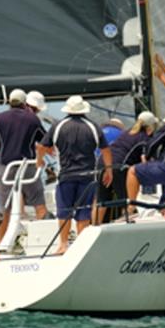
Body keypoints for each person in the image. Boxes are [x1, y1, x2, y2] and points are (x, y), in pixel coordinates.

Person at [37, 95, 113, 255]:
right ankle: (81, 246)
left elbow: (42, 146)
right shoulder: (93, 126)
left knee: (64, 211)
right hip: (87, 176)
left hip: (66, 175)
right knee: (84, 213)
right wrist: (109, 170)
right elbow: (106, 150)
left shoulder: (58, 126)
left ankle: (63, 244)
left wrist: (40, 161)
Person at [0, 89, 48, 241]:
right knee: (39, 203)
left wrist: (0, 146)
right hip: (28, 166)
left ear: (10, 102)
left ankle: (1, 240)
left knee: (3, 207)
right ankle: (43, 240)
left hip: (6, 167)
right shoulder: (32, 119)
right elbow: (44, 141)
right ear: (24, 103)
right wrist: (40, 157)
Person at [96, 111, 158, 223]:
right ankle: (129, 222)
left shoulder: (127, 132)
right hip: (119, 166)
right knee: (128, 201)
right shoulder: (145, 139)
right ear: (151, 126)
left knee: (102, 200)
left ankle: (94, 226)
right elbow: (144, 161)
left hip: (102, 164)